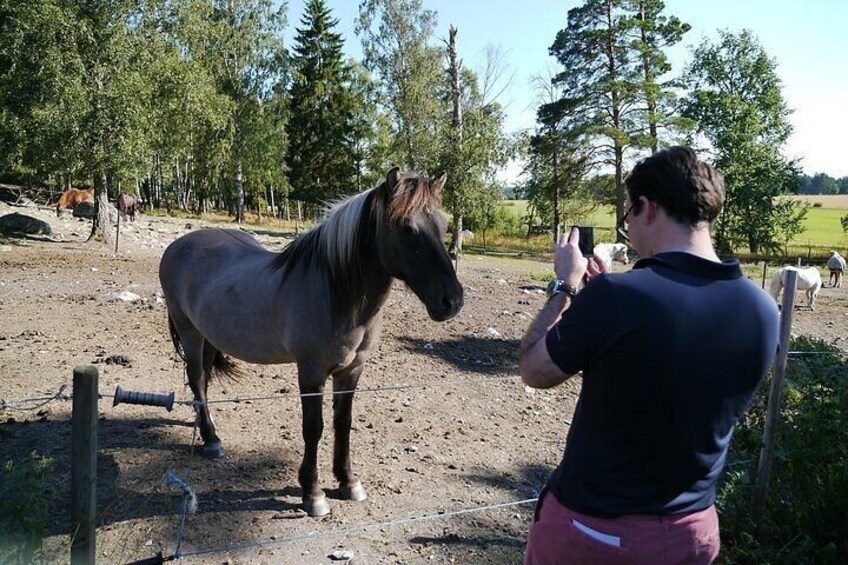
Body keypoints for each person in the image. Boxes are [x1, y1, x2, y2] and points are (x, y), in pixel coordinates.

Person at [518, 147, 779, 565]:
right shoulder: (763, 309)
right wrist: (604, 301)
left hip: (596, 535)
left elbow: (533, 368)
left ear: (648, 208)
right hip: (694, 533)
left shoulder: (618, 298)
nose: (628, 230)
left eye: (627, 217)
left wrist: (565, 288)